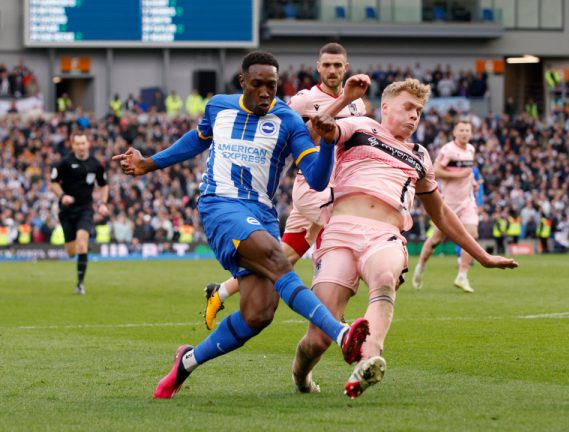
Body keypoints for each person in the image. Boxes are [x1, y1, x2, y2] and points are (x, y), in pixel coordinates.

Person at [112, 51, 372, 399]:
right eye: (258, 85)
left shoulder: (289, 121)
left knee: (259, 313)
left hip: (261, 214)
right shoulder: (218, 106)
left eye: (272, 86)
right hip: (220, 205)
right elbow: (197, 139)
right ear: (243, 82)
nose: (266, 93)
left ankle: (185, 363)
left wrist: (327, 143)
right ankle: (341, 334)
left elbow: (318, 179)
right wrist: (150, 164)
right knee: (276, 258)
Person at [290, 79, 518, 399]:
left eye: (419, 112)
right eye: (408, 108)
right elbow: (313, 135)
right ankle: (301, 376)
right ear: (385, 107)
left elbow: (440, 214)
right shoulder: (359, 126)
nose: (414, 117)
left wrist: (482, 256)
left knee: (384, 277)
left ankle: (369, 361)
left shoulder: (420, 156)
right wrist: (332, 116)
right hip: (340, 231)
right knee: (317, 339)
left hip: (384, 235)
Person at [202, 42, 367, 330]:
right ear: (318, 67)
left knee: (286, 254)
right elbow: (295, 133)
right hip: (312, 187)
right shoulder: (303, 100)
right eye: (326, 65)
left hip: (337, 185)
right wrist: (340, 103)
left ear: (346, 67)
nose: (332, 70)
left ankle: (221, 291)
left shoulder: (358, 104)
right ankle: (331, 311)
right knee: (342, 232)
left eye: (337, 65)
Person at [412, 120, 479, 292]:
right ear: (455, 132)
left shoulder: (471, 149)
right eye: (462, 130)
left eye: (467, 130)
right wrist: (459, 176)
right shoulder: (448, 150)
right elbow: (436, 171)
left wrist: (473, 182)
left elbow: (468, 174)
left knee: (471, 235)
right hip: (448, 203)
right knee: (436, 240)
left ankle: (462, 276)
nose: (465, 133)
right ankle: (419, 268)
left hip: (467, 202)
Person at [50, 132, 109, 294]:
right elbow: (53, 183)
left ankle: (80, 285)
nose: (81, 146)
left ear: (88, 144)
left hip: (85, 209)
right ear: (73, 145)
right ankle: (79, 250)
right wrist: (62, 196)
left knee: (82, 243)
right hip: (67, 211)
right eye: (78, 143)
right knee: (71, 251)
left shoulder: (96, 164)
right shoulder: (64, 163)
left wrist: (103, 203)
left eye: (83, 143)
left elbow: (104, 185)